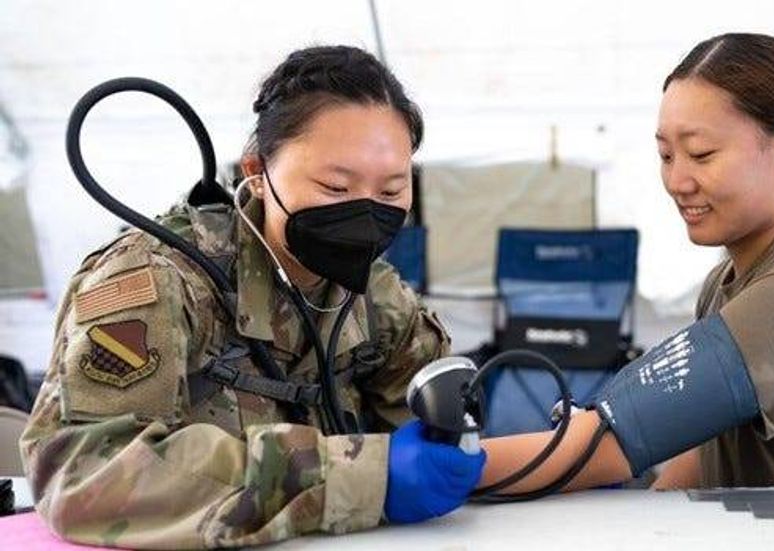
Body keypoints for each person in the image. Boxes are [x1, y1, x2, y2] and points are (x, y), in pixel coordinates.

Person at [20, 45, 485, 549]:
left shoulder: (375, 295)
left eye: (392, 191)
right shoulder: (160, 281)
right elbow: (85, 471)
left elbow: (442, 442)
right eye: (335, 187)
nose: (365, 213)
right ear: (257, 173)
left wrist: (455, 446)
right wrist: (359, 478)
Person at [477, 33, 774, 494]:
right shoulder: (727, 281)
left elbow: (601, 447)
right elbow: (704, 445)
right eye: (666, 155)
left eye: (701, 154)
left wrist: (454, 465)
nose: (677, 181)